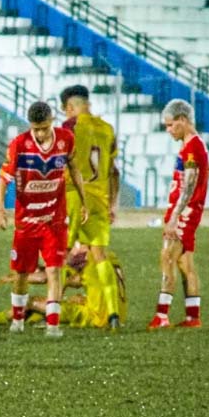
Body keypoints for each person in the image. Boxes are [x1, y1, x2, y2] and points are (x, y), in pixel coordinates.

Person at [0, 101, 88, 337]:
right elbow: (3, 179)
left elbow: (74, 169)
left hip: (54, 219)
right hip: (27, 220)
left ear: (52, 122)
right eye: (36, 129)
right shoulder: (19, 144)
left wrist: (83, 201)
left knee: (54, 269)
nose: (40, 133)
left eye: (44, 128)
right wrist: (0, 210)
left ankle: (53, 325)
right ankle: (18, 320)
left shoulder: (66, 140)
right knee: (21, 273)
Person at [60, 84, 122, 330]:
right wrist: (113, 203)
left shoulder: (70, 127)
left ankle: (51, 309)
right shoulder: (107, 129)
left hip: (74, 196)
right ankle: (113, 313)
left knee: (61, 254)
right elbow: (114, 172)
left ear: (69, 107)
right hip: (100, 200)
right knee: (99, 256)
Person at [148, 98, 209, 330]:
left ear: (183, 120)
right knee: (185, 263)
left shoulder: (193, 147)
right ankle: (193, 317)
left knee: (167, 258)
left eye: (171, 124)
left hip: (184, 213)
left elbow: (190, 185)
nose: (168, 129)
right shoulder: (193, 145)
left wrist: (175, 215)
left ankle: (161, 316)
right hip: (189, 212)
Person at [0, 244, 128, 329]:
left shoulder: (78, 257)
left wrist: (19, 277)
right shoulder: (102, 254)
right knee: (73, 299)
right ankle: (37, 318)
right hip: (119, 314)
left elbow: (47, 278)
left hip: (97, 317)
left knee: (31, 302)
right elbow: (73, 279)